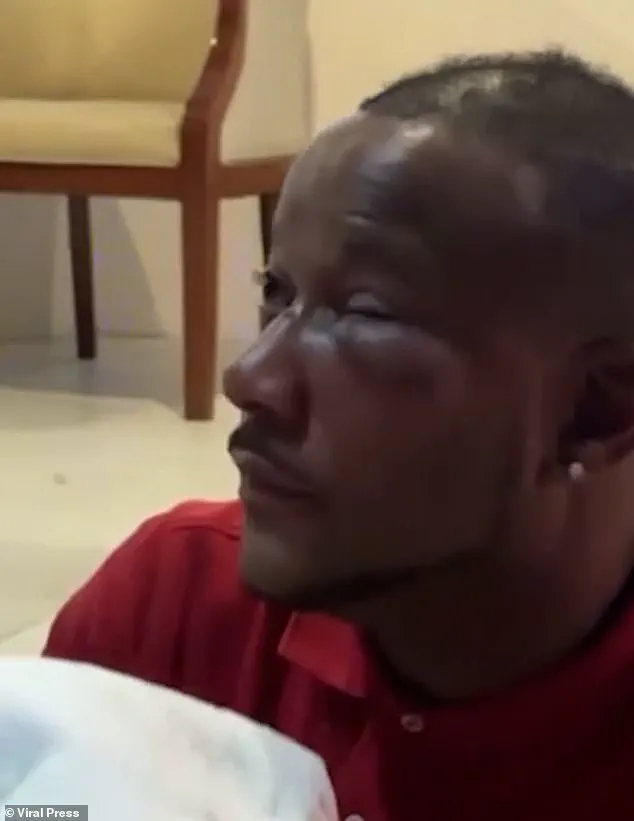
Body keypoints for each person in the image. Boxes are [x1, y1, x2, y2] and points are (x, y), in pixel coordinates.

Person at [44, 50, 634, 820]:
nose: (250, 378)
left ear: (596, 410)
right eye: (275, 292)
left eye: (365, 313)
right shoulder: (176, 613)